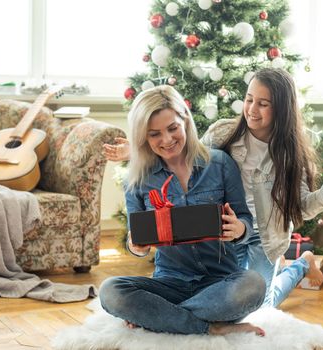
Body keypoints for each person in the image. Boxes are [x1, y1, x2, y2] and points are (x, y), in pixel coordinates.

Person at [102, 68, 323, 308]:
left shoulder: (291, 155)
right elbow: (191, 154)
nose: (252, 109)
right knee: (228, 299)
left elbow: (302, 207)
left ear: (281, 108)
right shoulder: (223, 133)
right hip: (225, 233)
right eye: (249, 99)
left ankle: (301, 264)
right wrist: (138, 152)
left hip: (263, 239)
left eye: (263, 104)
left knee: (259, 306)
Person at [99, 85, 266, 336]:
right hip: (170, 282)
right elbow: (136, 241)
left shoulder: (220, 163)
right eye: (154, 134)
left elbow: (244, 219)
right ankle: (209, 328)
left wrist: (239, 228)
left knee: (253, 285)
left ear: (185, 120)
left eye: (172, 128)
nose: (166, 140)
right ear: (143, 137)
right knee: (111, 291)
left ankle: (161, 317)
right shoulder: (137, 179)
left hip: (221, 284)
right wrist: (137, 246)